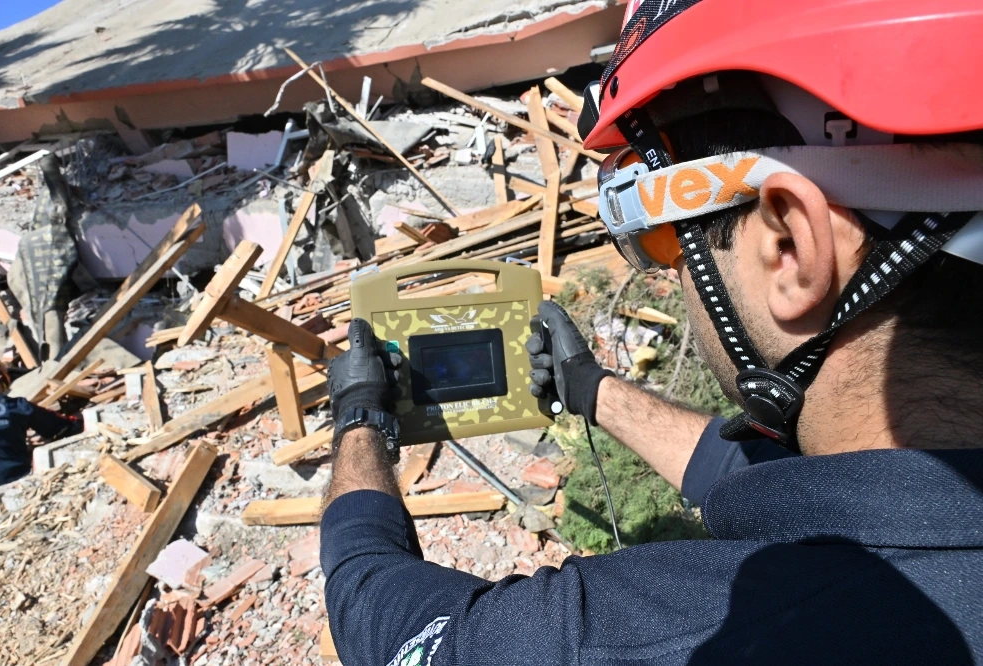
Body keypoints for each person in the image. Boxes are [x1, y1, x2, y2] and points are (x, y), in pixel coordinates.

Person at [318, 1, 983, 663]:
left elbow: (374, 611)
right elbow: (792, 486)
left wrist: (359, 422)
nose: (673, 276)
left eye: (669, 239)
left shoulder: (629, 638)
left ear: (790, 245)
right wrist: (594, 391)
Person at [0, 353, 83, 491]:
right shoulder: (16, 406)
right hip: (17, 486)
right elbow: (63, 427)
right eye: (4, 385)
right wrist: (80, 417)